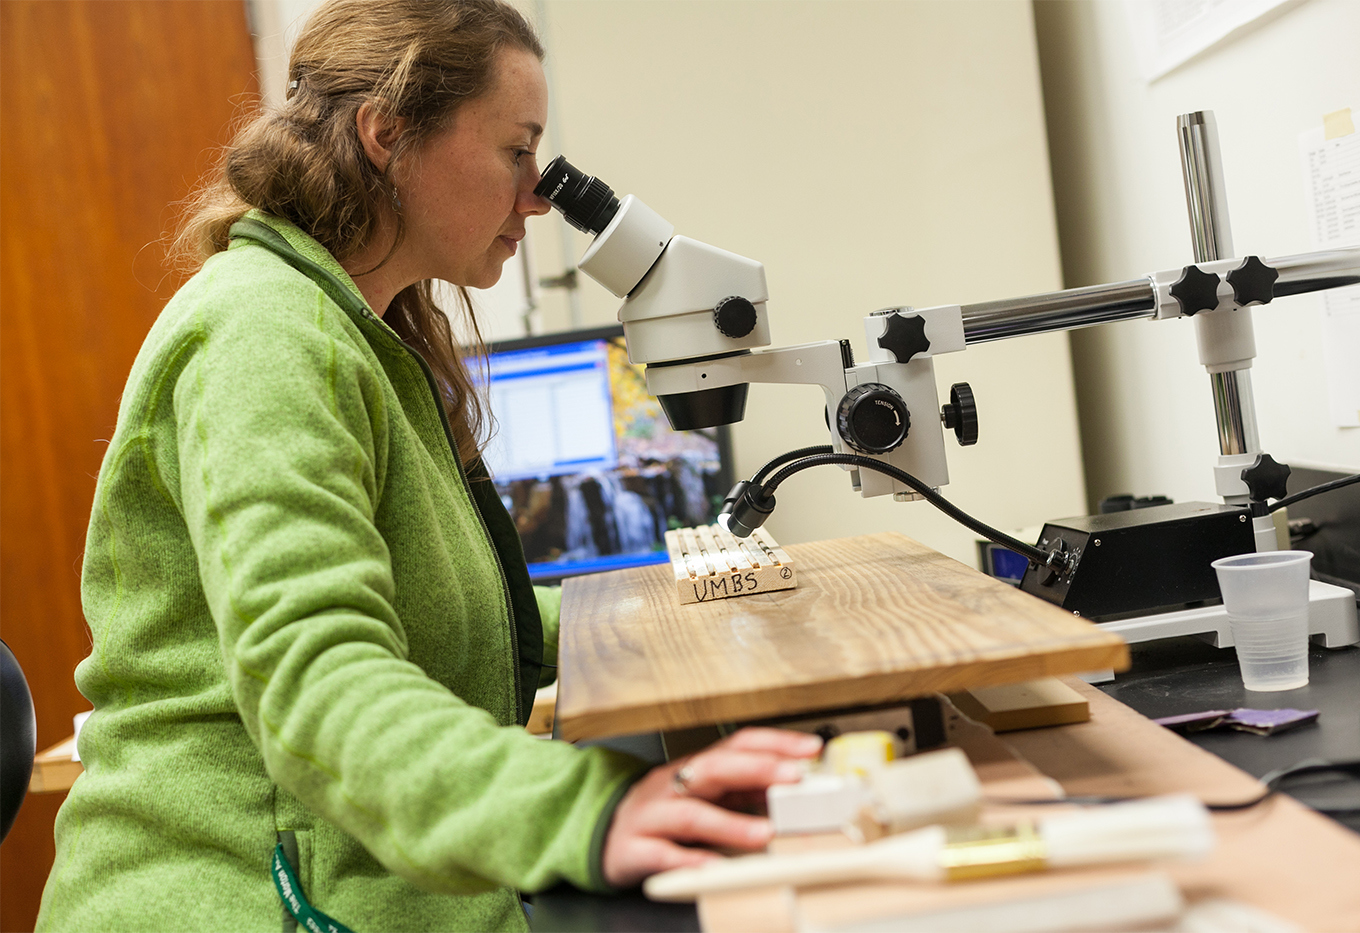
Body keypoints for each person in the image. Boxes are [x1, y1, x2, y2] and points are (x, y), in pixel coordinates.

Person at [36, 2, 820, 930]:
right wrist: (586, 806)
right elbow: (316, 677)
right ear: (386, 134)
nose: (538, 194)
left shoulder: (359, 335)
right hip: (254, 898)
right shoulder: (263, 334)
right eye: (516, 151)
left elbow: (451, 613)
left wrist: (661, 602)